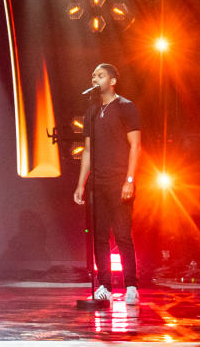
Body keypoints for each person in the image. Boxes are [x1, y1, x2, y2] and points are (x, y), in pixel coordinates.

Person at [73, 63, 141, 305]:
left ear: (112, 81)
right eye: (93, 75)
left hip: (119, 179)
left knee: (122, 235)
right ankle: (105, 285)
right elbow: (88, 151)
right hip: (98, 183)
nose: (95, 78)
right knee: (99, 237)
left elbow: (135, 145)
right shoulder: (91, 111)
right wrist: (81, 184)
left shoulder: (125, 107)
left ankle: (131, 285)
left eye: (100, 75)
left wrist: (129, 179)